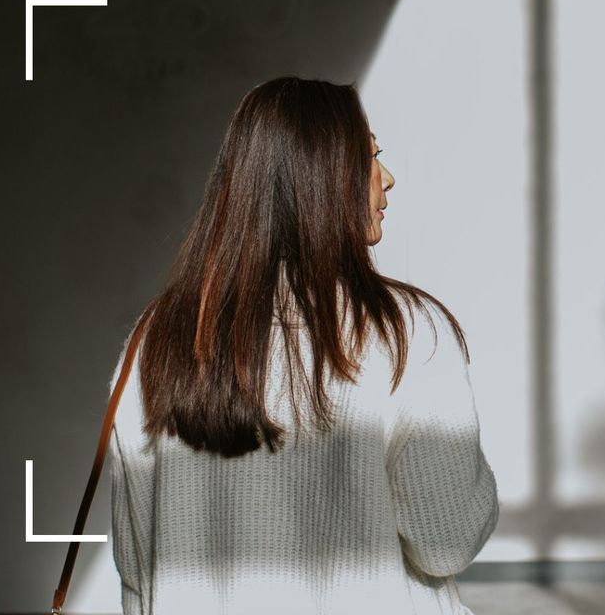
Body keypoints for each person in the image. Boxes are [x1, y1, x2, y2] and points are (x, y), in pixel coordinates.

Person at [107, 77, 498, 614]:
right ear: (320, 177)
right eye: (369, 156)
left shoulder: (155, 338)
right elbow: (446, 541)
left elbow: (138, 571)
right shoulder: (403, 331)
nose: (388, 179)